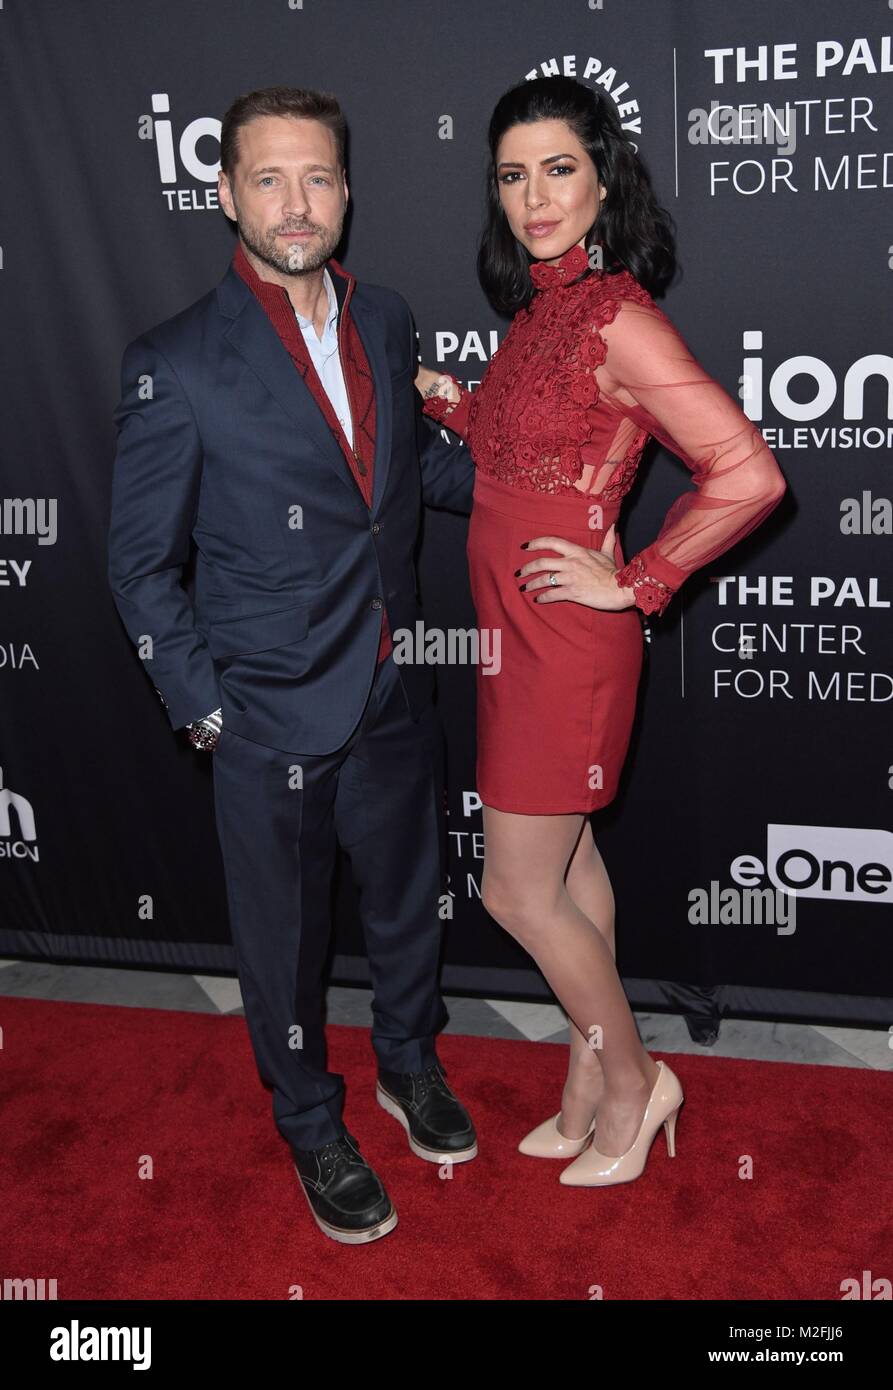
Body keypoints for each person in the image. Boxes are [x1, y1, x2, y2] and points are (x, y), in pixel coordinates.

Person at [108, 86, 478, 1245]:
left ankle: (407, 1063)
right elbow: (137, 565)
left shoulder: (386, 319)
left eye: (315, 176)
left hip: (391, 679)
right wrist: (207, 713)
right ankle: (310, 1118)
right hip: (265, 707)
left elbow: (400, 478)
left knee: (409, 906)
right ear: (224, 194)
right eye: (266, 179)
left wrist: (541, 493)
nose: (295, 203)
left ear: (348, 189)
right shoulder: (177, 360)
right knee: (284, 942)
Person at [416, 76, 787, 1188]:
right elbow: (509, 436)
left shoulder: (620, 315)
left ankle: (634, 1081)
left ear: (605, 176)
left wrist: (639, 577)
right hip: (511, 630)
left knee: (514, 889)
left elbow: (747, 470)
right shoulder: (538, 310)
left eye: (557, 169)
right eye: (512, 175)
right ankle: (587, 1082)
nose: (533, 196)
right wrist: (441, 393)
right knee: (570, 871)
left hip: (567, 644)